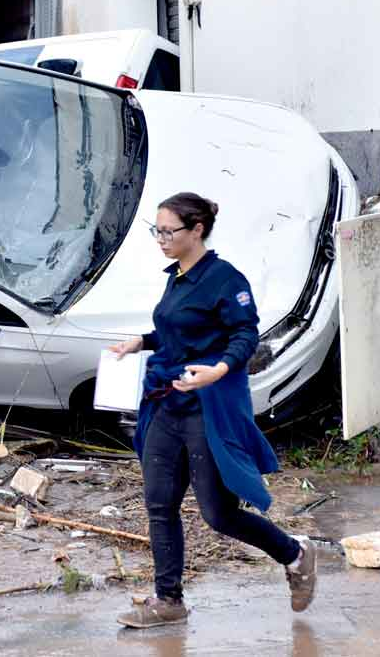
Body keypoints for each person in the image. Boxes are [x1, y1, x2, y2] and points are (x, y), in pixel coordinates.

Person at [111, 192, 317, 629]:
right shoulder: (178, 277)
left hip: (207, 408)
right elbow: (177, 329)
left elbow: (245, 337)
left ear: (197, 230)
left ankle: (295, 555)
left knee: (217, 513)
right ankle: (169, 601)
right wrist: (141, 342)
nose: (160, 239)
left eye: (169, 232)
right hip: (167, 404)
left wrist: (217, 370)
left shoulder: (226, 279)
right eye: (157, 231)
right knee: (159, 504)